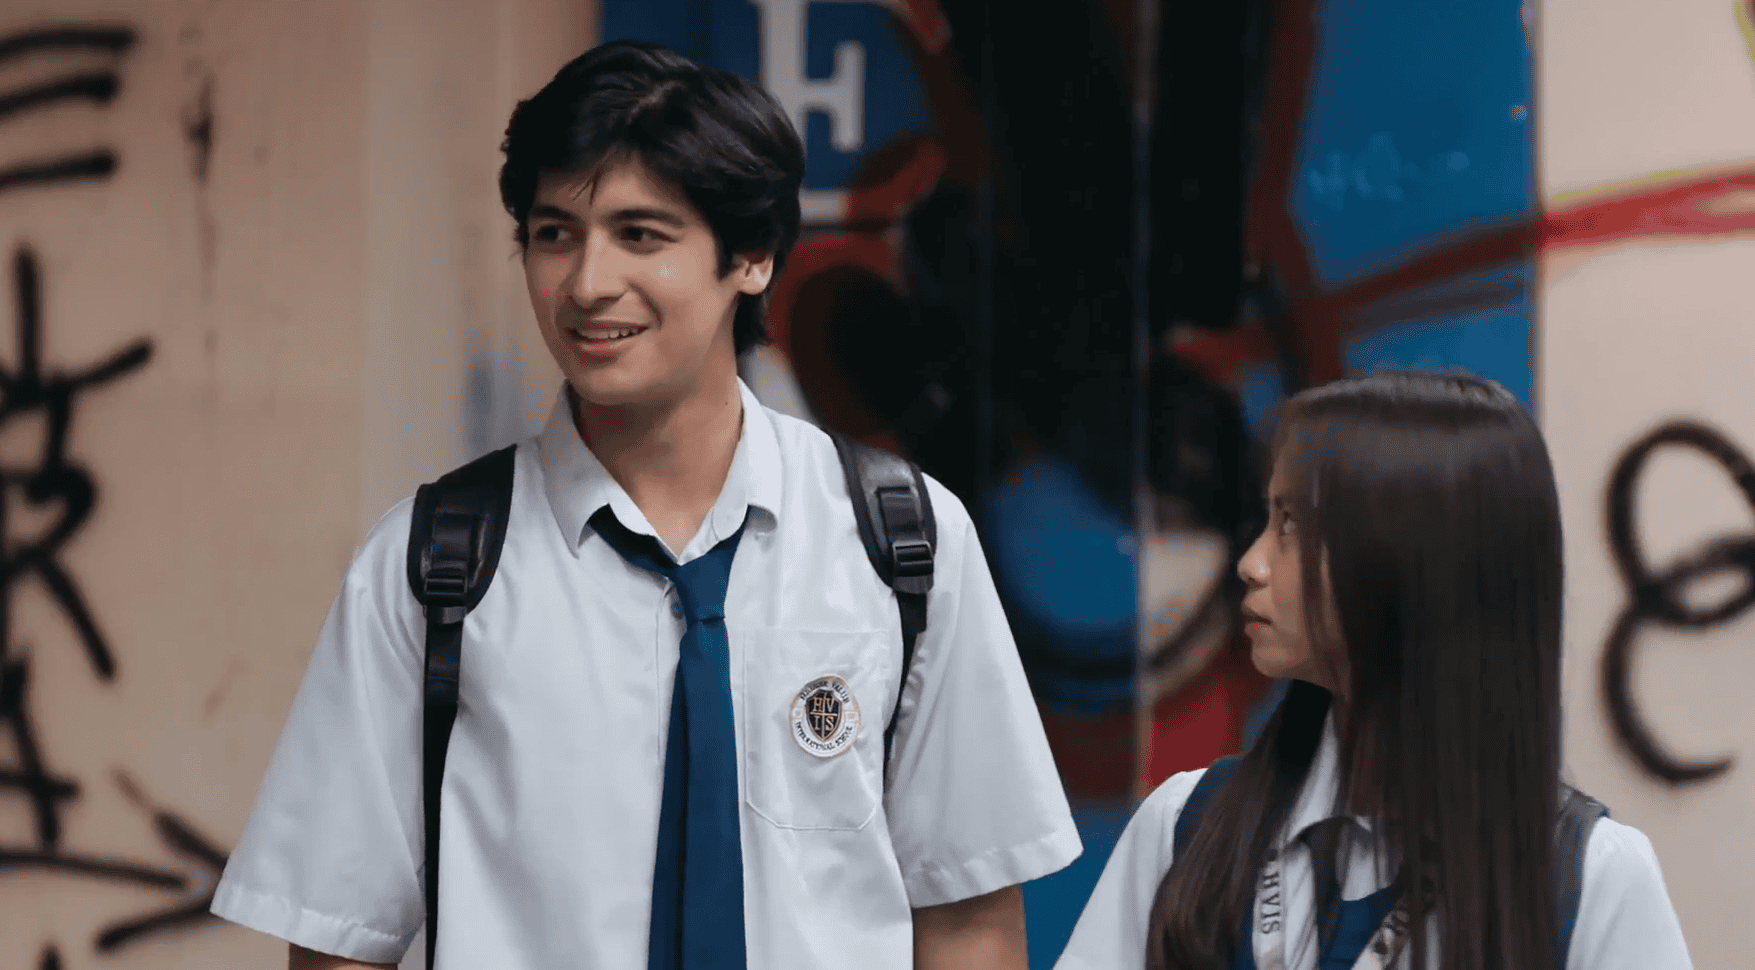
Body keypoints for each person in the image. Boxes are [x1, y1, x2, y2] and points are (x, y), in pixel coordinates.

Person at [210, 40, 1080, 970]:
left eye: (640, 235)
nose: (587, 284)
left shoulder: (901, 541)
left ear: (751, 256)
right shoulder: (433, 567)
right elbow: (341, 937)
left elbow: (967, 918)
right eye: (554, 234)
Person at [1053, 371, 1693, 970]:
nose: (1251, 563)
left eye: (1292, 524)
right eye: (1269, 517)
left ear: (1418, 563)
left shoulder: (1590, 876)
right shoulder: (1185, 827)